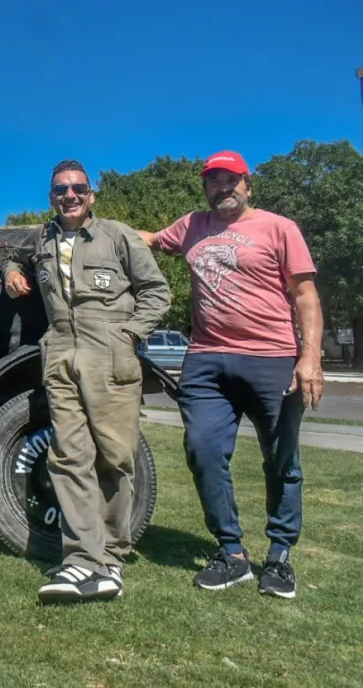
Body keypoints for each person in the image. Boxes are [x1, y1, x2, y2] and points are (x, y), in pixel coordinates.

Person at [139, 150, 324, 599]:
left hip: (273, 358)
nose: (223, 187)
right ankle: (232, 553)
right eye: (213, 181)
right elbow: (147, 239)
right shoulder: (192, 226)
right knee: (202, 450)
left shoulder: (280, 228)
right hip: (205, 359)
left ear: (247, 183)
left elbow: (305, 296)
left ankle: (279, 556)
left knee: (281, 459)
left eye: (231, 179)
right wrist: (91, 222)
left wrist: (311, 356)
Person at [4, 160, 170, 604]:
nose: (70, 196)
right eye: (61, 189)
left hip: (109, 353)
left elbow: (158, 291)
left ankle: (111, 557)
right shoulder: (42, 238)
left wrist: (131, 334)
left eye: (78, 188)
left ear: (91, 195)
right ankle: (81, 560)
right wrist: (10, 273)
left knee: (114, 457)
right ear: (51, 196)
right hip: (60, 352)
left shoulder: (119, 236)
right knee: (68, 457)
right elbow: (12, 256)